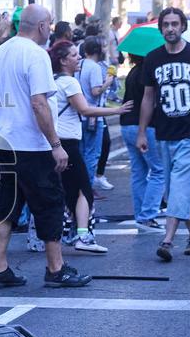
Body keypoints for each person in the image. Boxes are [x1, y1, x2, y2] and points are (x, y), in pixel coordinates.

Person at [0, 5, 90, 289]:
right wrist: (56, 144)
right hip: (32, 145)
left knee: (6, 205)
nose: (51, 29)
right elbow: (39, 103)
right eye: (50, 24)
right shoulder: (36, 55)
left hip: (5, 142)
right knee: (50, 203)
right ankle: (55, 268)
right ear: (42, 26)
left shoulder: (0, 52)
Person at [137, 7, 190, 262]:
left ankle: (168, 240)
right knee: (175, 190)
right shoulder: (152, 58)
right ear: (161, 29)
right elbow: (148, 97)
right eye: (166, 24)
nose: (170, 28)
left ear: (183, 27)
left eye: (175, 24)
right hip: (165, 133)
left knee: (179, 184)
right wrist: (141, 132)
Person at [49, 41, 132, 253]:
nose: (79, 58)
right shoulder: (69, 82)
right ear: (63, 60)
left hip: (56, 141)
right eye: (74, 55)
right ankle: (83, 236)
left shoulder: (53, 80)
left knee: (68, 191)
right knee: (85, 190)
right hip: (68, 143)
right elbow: (85, 110)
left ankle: (70, 233)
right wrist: (117, 111)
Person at [120, 53, 165, 229]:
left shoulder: (132, 72)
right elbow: (151, 101)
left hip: (127, 125)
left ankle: (141, 215)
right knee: (158, 171)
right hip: (144, 127)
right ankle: (148, 215)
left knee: (138, 172)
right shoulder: (148, 73)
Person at [78, 37, 113, 189]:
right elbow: (95, 91)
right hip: (93, 114)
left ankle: (78, 189)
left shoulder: (79, 64)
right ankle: (87, 191)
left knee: (80, 154)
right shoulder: (95, 68)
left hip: (78, 114)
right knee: (92, 155)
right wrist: (108, 83)